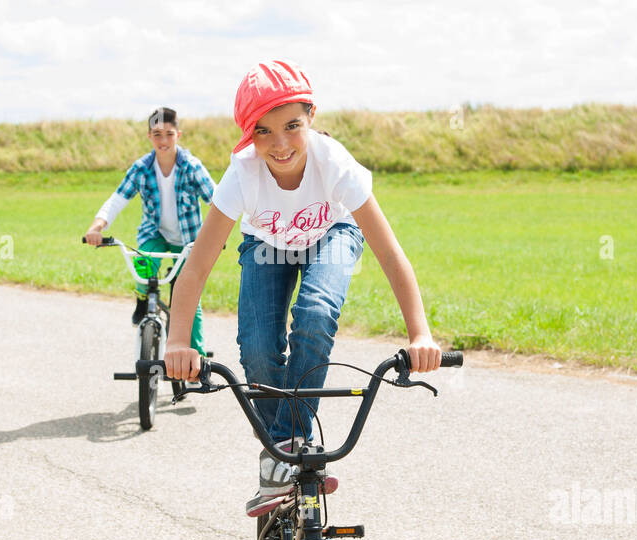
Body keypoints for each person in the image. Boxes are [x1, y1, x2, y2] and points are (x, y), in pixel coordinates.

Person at [164, 61, 442, 512]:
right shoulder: (242, 175)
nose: (280, 143)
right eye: (263, 132)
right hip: (265, 243)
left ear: (311, 116)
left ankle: (282, 451)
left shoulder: (334, 164)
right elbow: (196, 267)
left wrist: (420, 334)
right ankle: (287, 449)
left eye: (292, 126)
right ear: (249, 137)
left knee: (314, 312)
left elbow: (390, 253)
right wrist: (178, 339)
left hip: (332, 234)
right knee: (256, 347)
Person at [84, 106, 214, 355]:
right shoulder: (142, 168)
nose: (163, 141)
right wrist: (96, 226)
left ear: (179, 135)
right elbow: (118, 199)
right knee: (143, 265)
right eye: (157, 134)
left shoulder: (191, 167)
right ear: (149, 136)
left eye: (169, 134)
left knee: (187, 301)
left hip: (188, 241)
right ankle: (143, 300)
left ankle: (196, 359)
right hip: (154, 234)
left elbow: (217, 200)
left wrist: (216, 237)